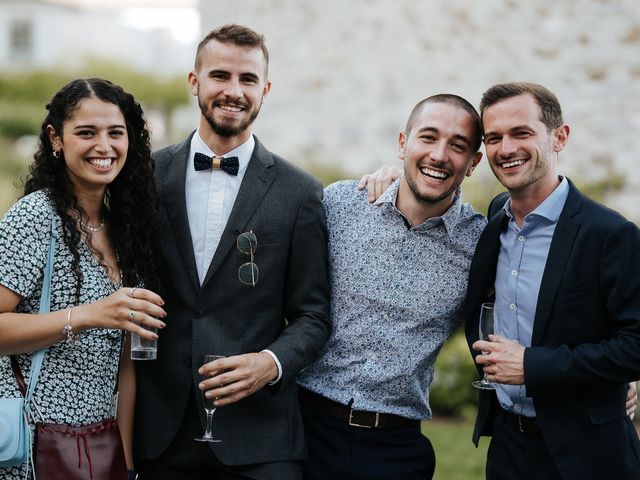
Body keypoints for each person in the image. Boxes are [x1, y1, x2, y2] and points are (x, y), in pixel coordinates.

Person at [133, 24, 331, 480]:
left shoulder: (299, 192)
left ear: (265, 90)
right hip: (162, 432)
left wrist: (271, 363)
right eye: (220, 75)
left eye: (247, 80)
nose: (233, 91)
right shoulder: (144, 176)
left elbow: (313, 315)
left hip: (260, 437)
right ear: (194, 81)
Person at [296, 94, 485, 480]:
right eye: (428, 138)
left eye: (458, 145)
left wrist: (613, 386)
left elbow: (532, 309)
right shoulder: (340, 204)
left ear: (473, 163)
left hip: (396, 450)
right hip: (304, 430)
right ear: (403, 143)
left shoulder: (481, 244)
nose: (439, 154)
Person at [464, 82, 640, 479]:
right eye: (494, 137)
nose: (505, 148)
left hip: (590, 455)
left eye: (521, 133)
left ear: (560, 136)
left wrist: (531, 364)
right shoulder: (495, 218)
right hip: (508, 447)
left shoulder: (610, 234)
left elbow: (635, 346)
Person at [0, 78, 166, 479]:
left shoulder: (125, 230)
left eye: (116, 133)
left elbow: (126, 365)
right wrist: (90, 314)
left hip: (101, 443)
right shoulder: (34, 217)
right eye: (86, 133)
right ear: (56, 139)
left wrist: (125, 464)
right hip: (34, 445)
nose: (104, 147)